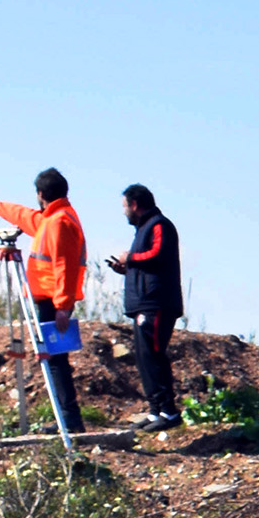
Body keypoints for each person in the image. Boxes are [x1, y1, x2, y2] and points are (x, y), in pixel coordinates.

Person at [0, 168, 89, 437]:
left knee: (55, 360)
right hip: (49, 300)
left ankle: (68, 419)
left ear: (41, 194)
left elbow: (64, 265)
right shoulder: (54, 218)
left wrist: (64, 306)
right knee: (54, 359)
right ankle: (66, 417)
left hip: (53, 302)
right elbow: (26, 217)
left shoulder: (58, 222)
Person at [104, 184, 184, 431]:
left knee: (154, 355)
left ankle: (169, 413)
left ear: (135, 205)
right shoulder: (142, 229)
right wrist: (125, 268)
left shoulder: (160, 225)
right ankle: (154, 411)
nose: (124, 212)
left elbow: (159, 254)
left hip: (157, 303)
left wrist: (132, 258)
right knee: (144, 358)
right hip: (144, 303)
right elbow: (146, 262)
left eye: (125, 206)